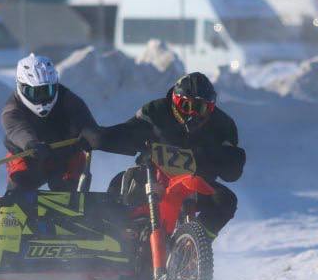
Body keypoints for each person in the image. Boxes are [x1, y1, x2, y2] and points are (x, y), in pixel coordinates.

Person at [86, 72, 245, 237]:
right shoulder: (155, 111)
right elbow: (127, 132)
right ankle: (119, 235)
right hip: (153, 177)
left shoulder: (223, 125)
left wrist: (216, 156)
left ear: (211, 108)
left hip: (196, 184)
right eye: (186, 106)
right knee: (120, 183)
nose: (193, 114)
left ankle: (192, 247)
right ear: (176, 102)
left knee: (225, 201)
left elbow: (233, 168)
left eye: (201, 108)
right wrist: (97, 138)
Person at [1, 53, 98, 192]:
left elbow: (88, 125)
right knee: (18, 189)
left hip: (65, 156)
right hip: (26, 156)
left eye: (47, 91)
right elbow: (18, 130)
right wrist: (31, 144)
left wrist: (92, 136)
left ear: (55, 86)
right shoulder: (11, 110)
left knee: (72, 191)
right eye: (33, 93)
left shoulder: (69, 99)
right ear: (21, 87)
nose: (41, 99)